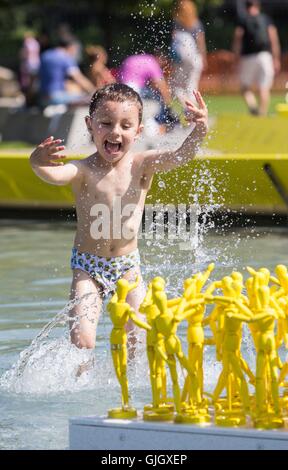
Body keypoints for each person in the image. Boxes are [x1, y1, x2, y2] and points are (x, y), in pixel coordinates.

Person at [29, 83, 208, 356]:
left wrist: (201, 128)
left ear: (138, 131)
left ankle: (132, 391)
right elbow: (54, 175)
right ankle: (82, 383)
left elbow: (180, 155)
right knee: (83, 341)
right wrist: (37, 162)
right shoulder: (83, 169)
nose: (115, 132)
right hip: (88, 267)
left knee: (139, 336)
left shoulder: (142, 165)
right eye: (106, 123)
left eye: (125, 125)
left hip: (127, 267)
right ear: (90, 125)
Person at [233, 0, 281, 116]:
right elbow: (273, 39)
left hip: (248, 57)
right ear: (258, 6)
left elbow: (238, 38)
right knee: (264, 87)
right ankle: (262, 114)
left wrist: (236, 58)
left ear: (246, 7)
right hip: (265, 56)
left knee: (245, 87)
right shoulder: (266, 19)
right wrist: (276, 58)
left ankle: (253, 107)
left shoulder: (243, 20)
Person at [118, 53, 177, 131]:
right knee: (156, 102)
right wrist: (169, 104)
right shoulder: (152, 62)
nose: (163, 66)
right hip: (136, 89)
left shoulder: (131, 59)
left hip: (123, 90)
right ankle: (158, 128)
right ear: (159, 58)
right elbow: (161, 86)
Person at [39, 37, 95, 107]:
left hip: (42, 97)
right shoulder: (65, 57)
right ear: (71, 47)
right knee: (89, 98)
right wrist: (94, 92)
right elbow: (78, 78)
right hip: (56, 97)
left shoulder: (44, 56)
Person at [170, 0, 207, 106]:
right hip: (195, 58)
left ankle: (188, 108)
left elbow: (174, 43)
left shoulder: (176, 22)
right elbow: (201, 42)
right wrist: (203, 58)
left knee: (176, 87)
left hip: (181, 59)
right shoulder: (197, 23)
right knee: (192, 87)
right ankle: (194, 111)